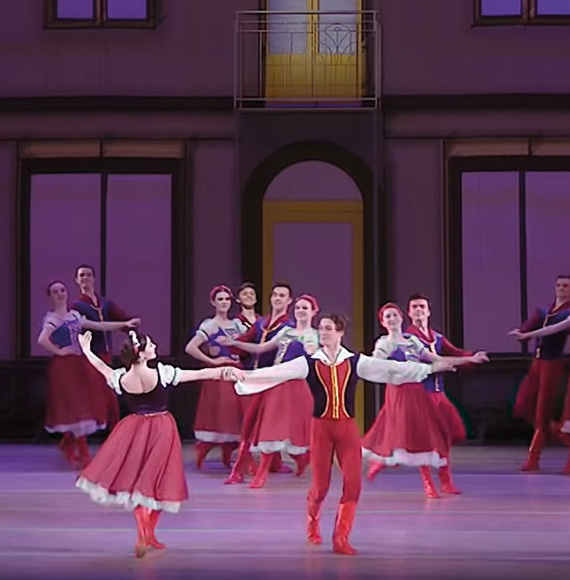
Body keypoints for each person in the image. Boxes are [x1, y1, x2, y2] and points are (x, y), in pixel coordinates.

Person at [228, 312, 456, 555]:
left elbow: (391, 368)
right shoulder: (308, 363)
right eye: (321, 329)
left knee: (353, 484)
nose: (323, 332)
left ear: (340, 332)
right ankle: (312, 523)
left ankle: (341, 537)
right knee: (320, 487)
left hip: (346, 429)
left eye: (328, 328)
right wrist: (245, 376)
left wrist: (431, 368)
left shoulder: (355, 361)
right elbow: (276, 373)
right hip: (321, 429)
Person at [76, 329, 237, 558]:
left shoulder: (121, 377)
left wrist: (86, 350)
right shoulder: (162, 373)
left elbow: (101, 367)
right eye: (150, 345)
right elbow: (200, 374)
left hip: (134, 429)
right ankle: (146, 527)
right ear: (141, 354)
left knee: (141, 479)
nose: (155, 347)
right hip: (161, 429)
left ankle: (147, 533)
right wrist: (224, 371)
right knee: (160, 480)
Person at [363, 303, 488, 498]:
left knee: (429, 436)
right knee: (408, 436)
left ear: (401, 318)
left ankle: (386, 462)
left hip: (419, 392)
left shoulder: (413, 340)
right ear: (383, 322)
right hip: (400, 393)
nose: (392, 319)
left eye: (394, 315)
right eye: (387, 317)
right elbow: (376, 365)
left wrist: (468, 360)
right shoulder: (384, 344)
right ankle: (423, 480)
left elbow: (436, 359)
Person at [37, 280, 139, 468]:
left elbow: (99, 325)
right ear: (50, 296)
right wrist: (59, 351)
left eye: (62, 290)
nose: (60, 294)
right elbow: (42, 339)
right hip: (63, 368)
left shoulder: (74, 315)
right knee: (74, 407)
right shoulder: (53, 319)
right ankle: (82, 453)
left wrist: (124, 324)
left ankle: (71, 447)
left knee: (84, 405)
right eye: (55, 292)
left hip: (78, 364)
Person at [221, 294, 319, 487]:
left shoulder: (313, 335)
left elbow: (311, 354)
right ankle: (248, 471)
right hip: (274, 381)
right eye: (298, 307)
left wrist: (310, 349)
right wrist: (236, 343)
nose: (300, 311)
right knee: (259, 426)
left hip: (294, 386)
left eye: (305, 308)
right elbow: (261, 348)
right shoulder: (287, 331)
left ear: (314, 312)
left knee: (292, 431)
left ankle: (296, 463)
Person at [404, 293, 480, 492]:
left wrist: (472, 357)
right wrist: (458, 361)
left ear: (428, 311)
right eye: (414, 307)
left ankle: (445, 479)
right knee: (425, 441)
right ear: (409, 313)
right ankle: (429, 483)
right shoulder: (407, 339)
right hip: (421, 396)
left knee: (451, 433)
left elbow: (455, 352)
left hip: (439, 394)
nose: (419, 310)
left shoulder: (437, 337)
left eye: (422, 306)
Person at [224, 281, 295, 484]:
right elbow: (245, 341)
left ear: (289, 301)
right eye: (275, 295)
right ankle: (240, 470)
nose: (277, 298)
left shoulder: (288, 327)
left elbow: (267, 350)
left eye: (282, 295)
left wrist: (236, 343)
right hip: (254, 379)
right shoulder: (261, 323)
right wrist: (234, 347)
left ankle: (265, 468)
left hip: (273, 382)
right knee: (249, 425)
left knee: (269, 426)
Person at [509, 275, 570, 471]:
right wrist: (522, 333)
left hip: (553, 363)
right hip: (538, 362)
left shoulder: (567, 312)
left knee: (543, 410)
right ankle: (552, 432)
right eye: (559, 285)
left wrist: (527, 334)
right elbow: (531, 325)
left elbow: (553, 330)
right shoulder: (544, 310)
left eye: (566, 286)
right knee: (524, 404)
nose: (561, 288)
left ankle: (534, 457)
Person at [72, 265, 141, 431]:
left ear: (94, 278)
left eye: (88, 275)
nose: (85, 278)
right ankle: (77, 437)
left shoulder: (104, 303)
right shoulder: (76, 306)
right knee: (95, 397)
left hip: (106, 356)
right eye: (81, 275)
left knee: (109, 396)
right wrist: (125, 324)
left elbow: (122, 319)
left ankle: (115, 433)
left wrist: (131, 326)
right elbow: (99, 326)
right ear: (77, 280)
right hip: (89, 357)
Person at [184, 285, 244, 469]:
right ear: (213, 302)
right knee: (219, 415)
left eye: (227, 299)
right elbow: (190, 347)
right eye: (220, 299)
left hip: (236, 373)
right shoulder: (210, 325)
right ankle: (203, 452)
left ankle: (228, 454)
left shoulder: (237, 325)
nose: (224, 302)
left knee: (234, 416)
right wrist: (212, 361)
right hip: (219, 376)